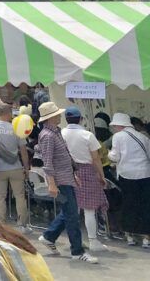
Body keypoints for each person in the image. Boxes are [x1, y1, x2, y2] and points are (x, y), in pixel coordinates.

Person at [34, 102, 99, 264]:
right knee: (72, 215)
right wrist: (51, 183)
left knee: (69, 212)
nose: (59, 116)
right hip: (60, 180)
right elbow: (48, 162)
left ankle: (49, 236)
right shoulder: (48, 135)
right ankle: (77, 251)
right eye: (56, 114)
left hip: (66, 177)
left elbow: (65, 155)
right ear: (51, 117)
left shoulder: (55, 132)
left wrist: (73, 173)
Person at [61, 107, 109, 251]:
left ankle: (76, 240)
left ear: (66, 119)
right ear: (81, 119)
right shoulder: (87, 135)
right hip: (87, 171)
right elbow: (96, 158)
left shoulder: (61, 134)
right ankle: (93, 240)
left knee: (73, 209)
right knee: (89, 209)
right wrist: (101, 175)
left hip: (68, 170)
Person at [0, 102, 30, 229]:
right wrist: (26, 168)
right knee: (20, 196)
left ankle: (2, 224)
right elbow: (23, 151)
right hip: (16, 167)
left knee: (0, 196)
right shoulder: (16, 128)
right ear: (9, 113)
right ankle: (22, 224)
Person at [108, 112, 150, 247]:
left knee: (129, 204)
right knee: (145, 205)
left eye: (114, 126)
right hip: (145, 174)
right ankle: (146, 238)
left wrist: (107, 154)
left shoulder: (118, 136)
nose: (114, 128)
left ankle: (130, 236)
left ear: (119, 125)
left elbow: (115, 157)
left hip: (127, 175)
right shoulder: (143, 137)